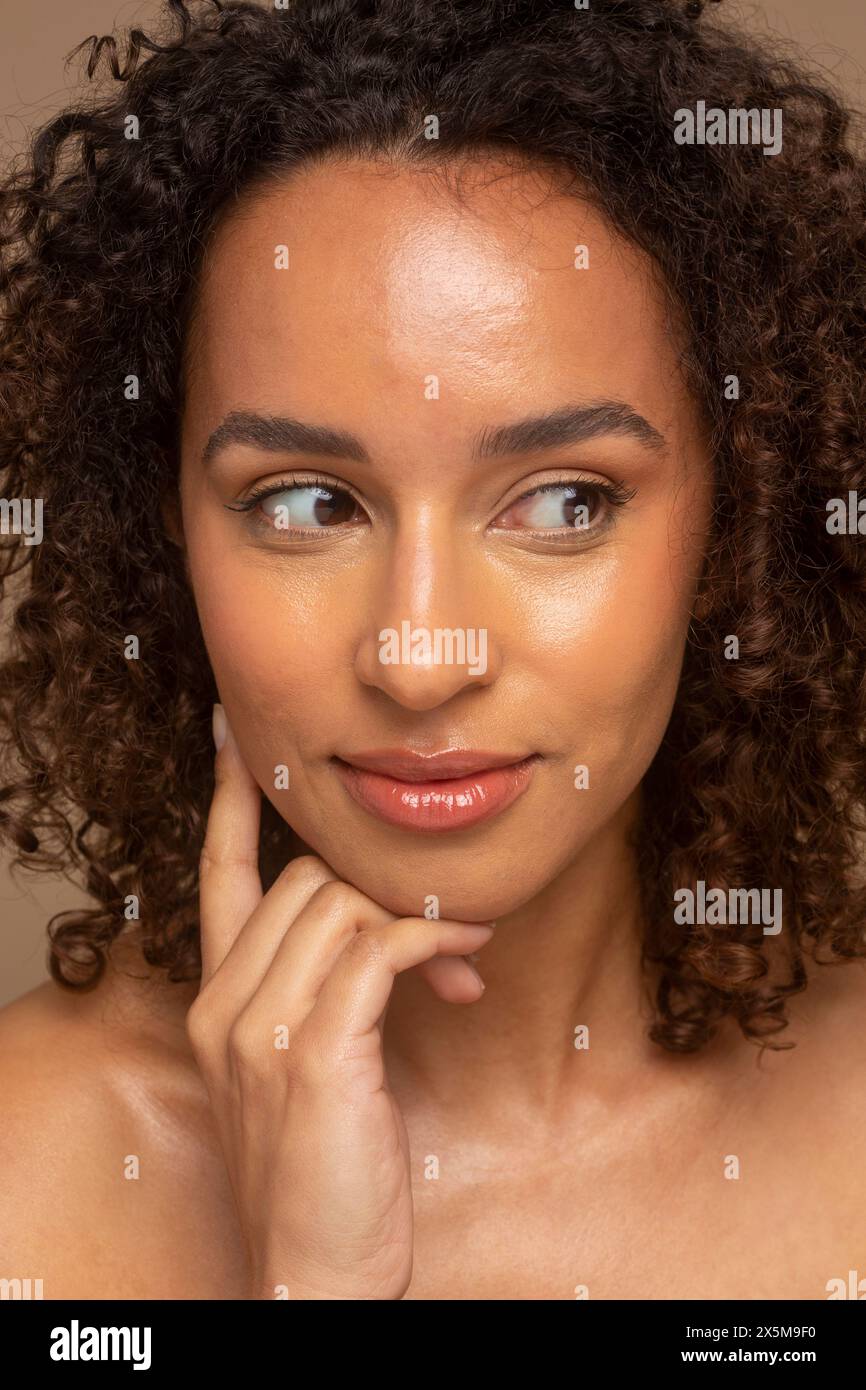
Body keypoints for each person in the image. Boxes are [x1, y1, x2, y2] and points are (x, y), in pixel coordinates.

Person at [0, 0, 864, 1300]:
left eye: (563, 501)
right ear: (157, 529)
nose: (416, 656)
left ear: (736, 522)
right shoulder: (30, 1177)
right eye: (305, 504)